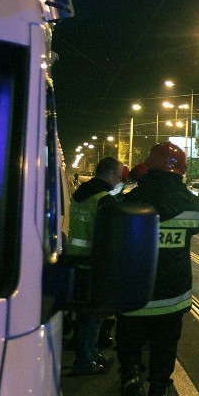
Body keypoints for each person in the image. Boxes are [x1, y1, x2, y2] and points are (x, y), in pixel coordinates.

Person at [116, 142, 199, 396]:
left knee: (129, 344)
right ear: (181, 171)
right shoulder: (192, 207)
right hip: (172, 296)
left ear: (150, 166)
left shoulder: (131, 201)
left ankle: (132, 380)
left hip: (134, 294)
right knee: (165, 347)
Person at [65, 156, 126, 375]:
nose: (119, 180)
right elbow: (110, 237)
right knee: (93, 315)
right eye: (119, 176)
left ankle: (90, 354)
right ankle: (85, 360)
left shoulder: (80, 194)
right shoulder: (104, 199)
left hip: (75, 260)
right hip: (94, 263)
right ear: (110, 174)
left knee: (85, 314)